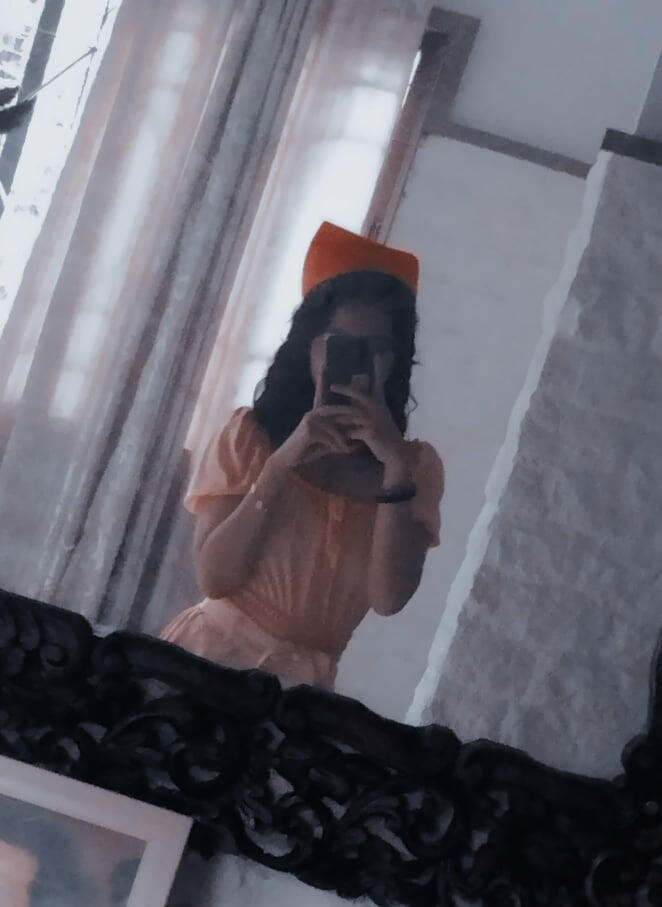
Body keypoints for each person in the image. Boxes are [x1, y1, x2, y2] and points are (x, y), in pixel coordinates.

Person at [160, 222, 445, 690]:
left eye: (377, 349)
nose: (361, 361)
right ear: (309, 348)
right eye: (342, 346)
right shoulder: (251, 436)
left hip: (300, 698)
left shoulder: (415, 468)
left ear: (397, 360)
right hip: (204, 662)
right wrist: (280, 465)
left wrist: (394, 469)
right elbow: (215, 578)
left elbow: (389, 598)